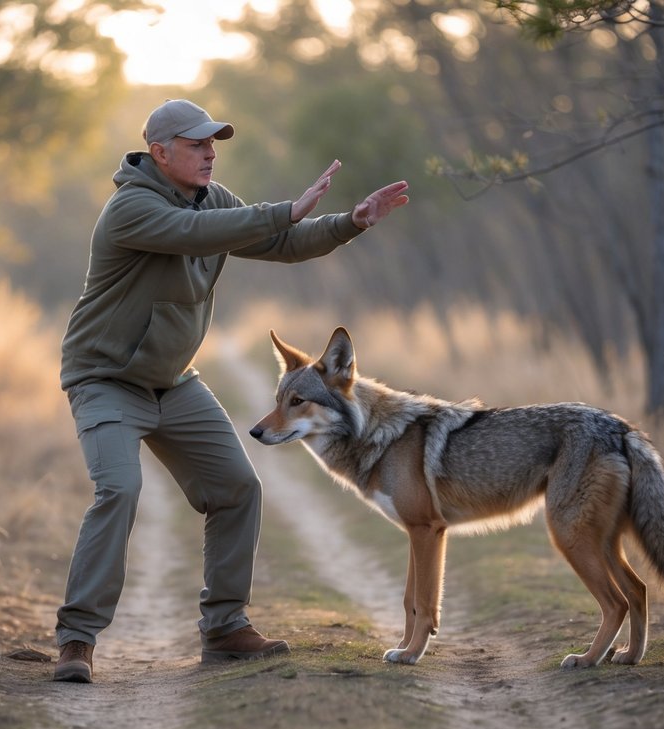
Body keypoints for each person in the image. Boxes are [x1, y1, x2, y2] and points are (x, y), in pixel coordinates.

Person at [54, 99, 409, 683]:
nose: (211, 152)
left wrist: (350, 222)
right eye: (196, 144)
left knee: (237, 487)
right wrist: (283, 210)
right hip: (106, 381)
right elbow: (194, 233)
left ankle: (224, 629)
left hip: (172, 384)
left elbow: (281, 243)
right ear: (159, 151)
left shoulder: (212, 199)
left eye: (213, 143)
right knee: (118, 488)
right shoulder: (130, 209)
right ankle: (76, 640)